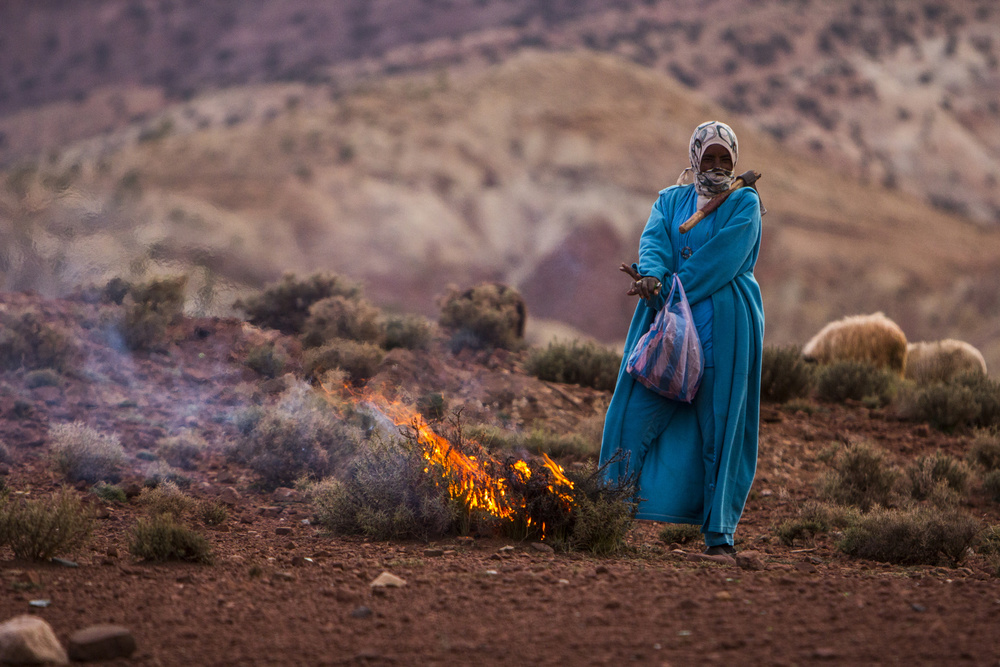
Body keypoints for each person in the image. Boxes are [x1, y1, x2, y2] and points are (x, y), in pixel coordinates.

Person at [599, 120, 764, 557]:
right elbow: (654, 243)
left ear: (735, 161)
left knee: (719, 431)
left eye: (724, 159)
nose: (716, 166)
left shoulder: (744, 203)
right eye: (708, 158)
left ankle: (719, 536)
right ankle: (606, 516)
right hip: (667, 332)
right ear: (694, 159)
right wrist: (651, 276)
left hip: (722, 332)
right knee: (629, 418)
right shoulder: (670, 201)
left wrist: (667, 287)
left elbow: (720, 261)